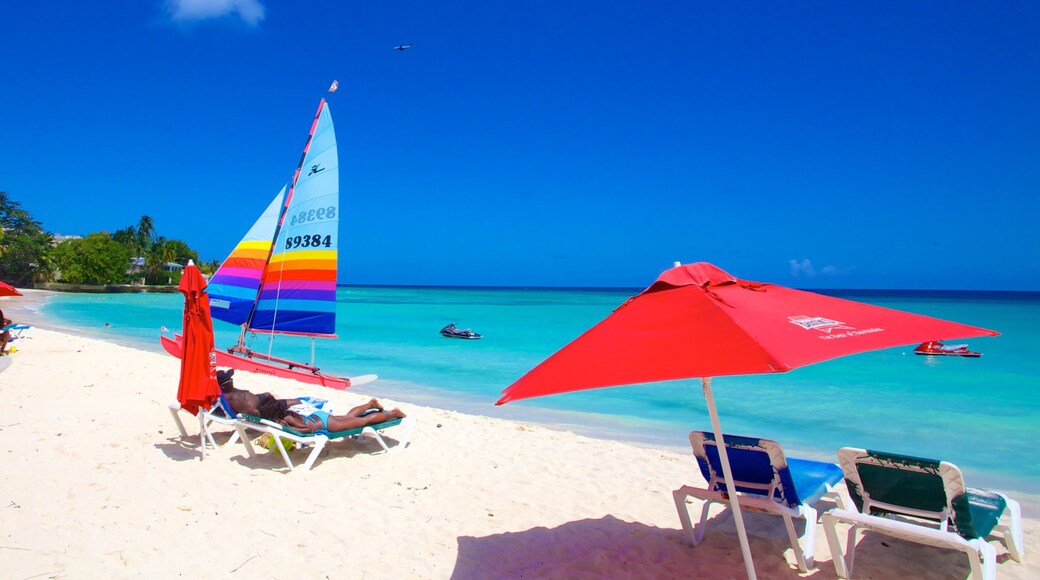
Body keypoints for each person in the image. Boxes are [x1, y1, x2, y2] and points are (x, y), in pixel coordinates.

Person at [257, 395, 406, 433]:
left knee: (364, 422)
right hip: (320, 417)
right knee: (349, 418)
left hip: (327, 425)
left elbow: (308, 430)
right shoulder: (287, 413)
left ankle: (393, 414)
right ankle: (370, 404)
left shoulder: (287, 418)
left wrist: (288, 428)